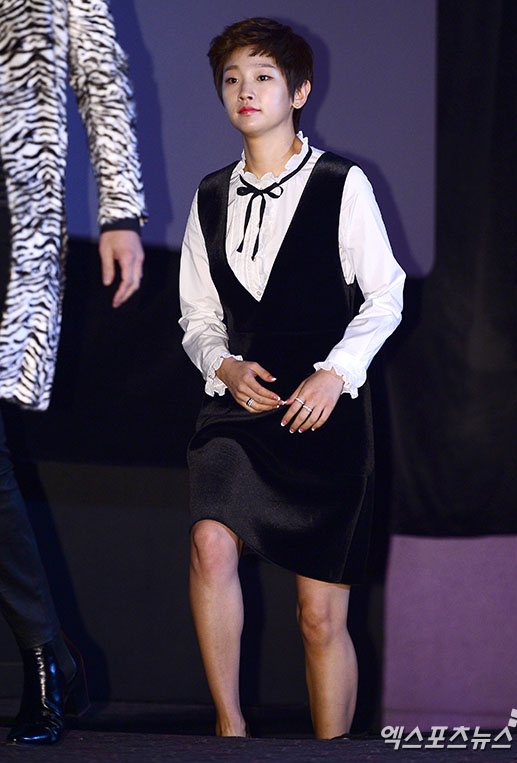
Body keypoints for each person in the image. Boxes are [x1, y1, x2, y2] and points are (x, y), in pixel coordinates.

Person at [179, 17, 404, 739]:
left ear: (299, 91)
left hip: (324, 415)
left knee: (319, 618)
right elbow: (196, 313)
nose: (245, 91)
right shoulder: (210, 194)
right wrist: (221, 363)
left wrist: (337, 374)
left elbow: (386, 294)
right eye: (232, 79)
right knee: (210, 543)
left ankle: (330, 750)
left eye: (263, 77)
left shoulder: (342, 183)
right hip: (237, 411)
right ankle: (230, 731)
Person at [0, 0, 146, 746]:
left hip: (8, 204)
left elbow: (101, 77)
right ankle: (50, 653)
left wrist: (120, 212)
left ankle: (43, 655)